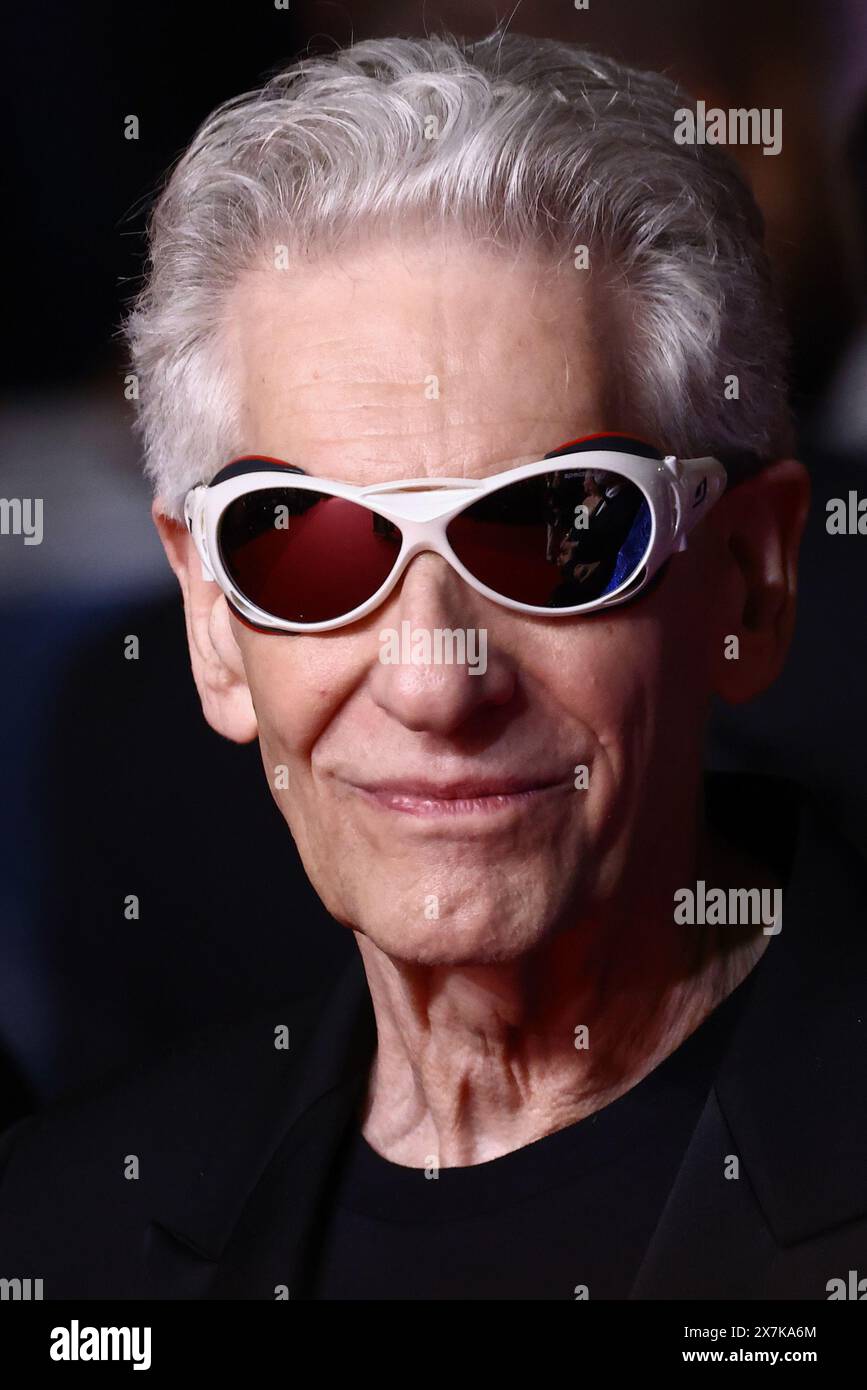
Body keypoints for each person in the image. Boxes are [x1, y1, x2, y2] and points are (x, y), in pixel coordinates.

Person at [1, 30, 865, 1301]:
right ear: (210, 622)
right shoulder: (58, 1231)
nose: (434, 682)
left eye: (557, 531)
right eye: (306, 544)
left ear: (748, 582)